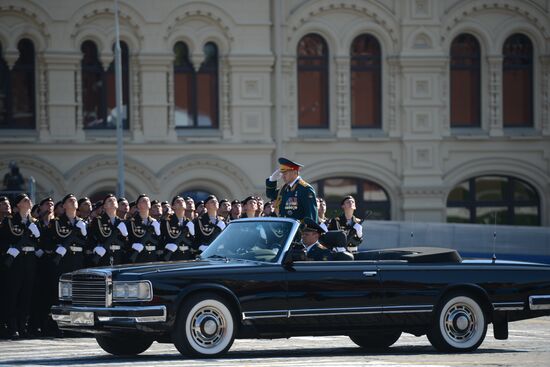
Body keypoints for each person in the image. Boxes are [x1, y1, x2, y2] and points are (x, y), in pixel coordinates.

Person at [0, 193, 40, 338]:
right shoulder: (9, 221)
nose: (29, 201)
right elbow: (2, 239)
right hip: (15, 260)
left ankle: (23, 326)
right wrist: (8, 249)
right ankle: (12, 327)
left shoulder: (34, 222)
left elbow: (41, 241)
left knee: (26, 294)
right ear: (18, 205)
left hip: (30, 260)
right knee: (13, 294)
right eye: (25, 200)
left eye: (29, 199)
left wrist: (37, 234)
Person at [266, 157, 318, 222]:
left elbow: (311, 214)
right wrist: (272, 180)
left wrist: (309, 231)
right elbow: (271, 195)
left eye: (285, 173)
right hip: (286, 228)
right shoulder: (284, 188)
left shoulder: (305, 189)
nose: (282, 176)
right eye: (282, 173)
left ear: (294, 172)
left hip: (298, 230)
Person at [51, 194, 88, 276]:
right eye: (70, 200)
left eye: (74, 200)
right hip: (63, 257)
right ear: (64, 206)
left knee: (77, 284)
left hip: (78, 258)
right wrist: (56, 248)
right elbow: (48, 240)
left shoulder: (83, 223)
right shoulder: (56, 222)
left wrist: (84, 233)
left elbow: (88, 243)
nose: (73, 201)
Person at [88, 194, 128, 267]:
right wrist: (95, 247)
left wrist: (125, 236)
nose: (112, 201)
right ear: (105, 206)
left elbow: (126, 243)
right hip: (103, 254)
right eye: (109, 200)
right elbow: (90, 237)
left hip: (118, 256)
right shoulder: (98, 220)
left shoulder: (122, 222)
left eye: (114, 200)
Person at [127, 194, 160, 263]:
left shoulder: (154, 222)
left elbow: (160, 241)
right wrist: (132, 245)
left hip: (152, 256)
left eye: (147, 200)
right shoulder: (132, 222)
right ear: (138, 205)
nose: (146, 201)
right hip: (138, 256)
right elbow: (126, 240)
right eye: (143, 201)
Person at [160, 196, 194, 261]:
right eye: (178, 201)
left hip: (186, 256)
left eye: (182, 201)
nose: (181, 202)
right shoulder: (166, 222)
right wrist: (166, 246)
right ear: (173, 207)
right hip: (172, 256)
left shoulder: (189, 223)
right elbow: (161, 239)